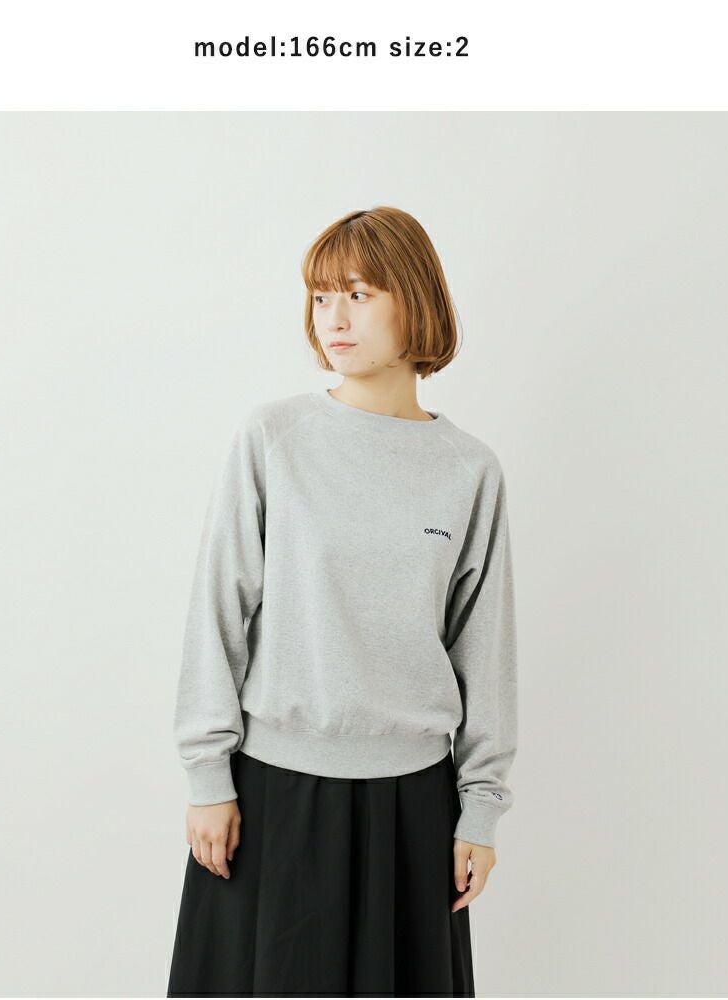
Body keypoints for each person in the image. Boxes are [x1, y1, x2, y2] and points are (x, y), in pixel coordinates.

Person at [166, 205, 518, 998]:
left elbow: (484, 650)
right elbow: (218, 611)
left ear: (414, 301)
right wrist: (208, 776)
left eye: (358, 294)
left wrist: (481, 809)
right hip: (273, 795)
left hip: (414, 810)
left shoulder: (469, 470)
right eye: (322, 296)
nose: (333, 318)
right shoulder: (274, 438)